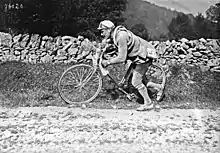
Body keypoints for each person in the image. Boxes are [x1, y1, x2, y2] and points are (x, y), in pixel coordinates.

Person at [97, 20, 163, 111]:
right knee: (142, 81)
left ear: (109, 30)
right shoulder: (115, 35)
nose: (101, 34)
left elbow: (121, 58)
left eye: (102, 31)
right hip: (138, 55)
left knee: (136, 82)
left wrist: (108, 62)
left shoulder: (121, 36)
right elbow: (112, 46)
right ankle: (159, 87)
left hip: (143, 56)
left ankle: (148, 103)